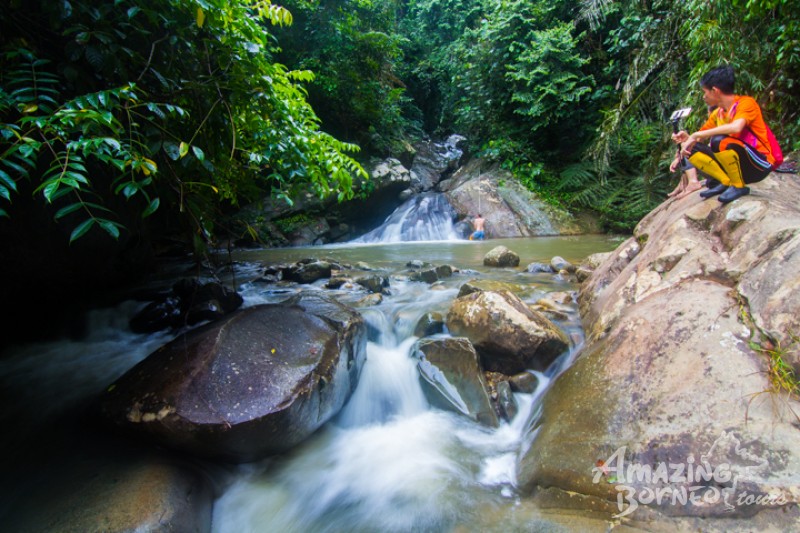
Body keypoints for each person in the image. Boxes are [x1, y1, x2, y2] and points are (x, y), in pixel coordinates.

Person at [672, 66, 778, 204]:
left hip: (759, 164)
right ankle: (725, 181)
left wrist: (696, 134)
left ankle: (738, 186)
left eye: (705, 92)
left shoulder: (746, 103)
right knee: (692, 147)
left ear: (715, 91)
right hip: (736, 163)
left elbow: (736, 127)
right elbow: (699, 137)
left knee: (720, 141)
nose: (704, 96)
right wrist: (687, 138)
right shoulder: (718, 113)